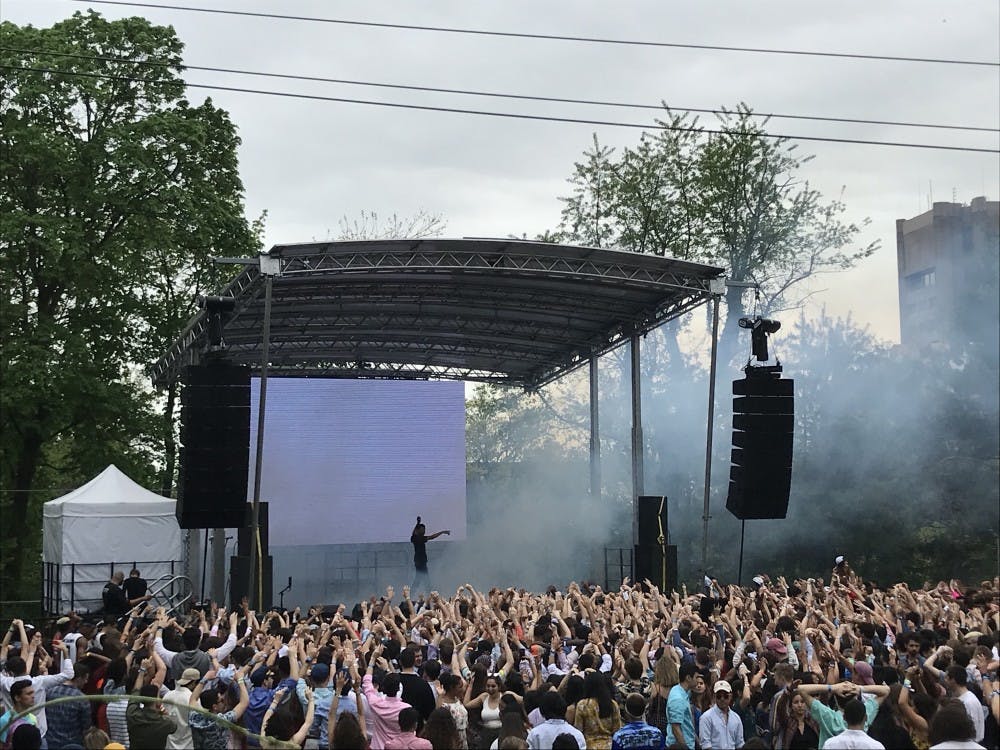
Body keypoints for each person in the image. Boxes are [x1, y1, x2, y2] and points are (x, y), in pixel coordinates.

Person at [188, 667, 251, 750]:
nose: (224, 702)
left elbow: (192, 699)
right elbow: (244, 702)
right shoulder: (221, 720)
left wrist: (204, 680)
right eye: (221, 700)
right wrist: (240, 680)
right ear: (214, 707)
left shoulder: (194, 717)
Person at [43, 661, 92, 750]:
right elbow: (86, 726)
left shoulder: (50, 691)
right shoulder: (81, 699)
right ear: (79, 678)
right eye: (85, 679)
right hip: (72, 744)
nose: (86, 682)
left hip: (50, 742)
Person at [573, 670, 621, 749]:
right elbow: (617, 729)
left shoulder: (582, 705)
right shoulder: (612, 704)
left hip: (589, 746)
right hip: (609, 746)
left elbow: (578, 729)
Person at [126, 684, 177, 750]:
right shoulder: (165, 723)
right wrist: (164, 715)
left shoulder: (132, 714)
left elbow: (134, 696)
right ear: (155, 699)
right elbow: (174, 727)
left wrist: (141, 674)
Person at [945, 665, 985, 745]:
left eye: (946, 678)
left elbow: (974, 730)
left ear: (953, 680)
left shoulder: (969, 702)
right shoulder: (959, 698)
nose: (944, 680)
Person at [698, 679, 744, 749]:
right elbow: (705, 745)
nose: (722, 699)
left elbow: (739, 744)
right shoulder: (706, 717)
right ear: (714, 697)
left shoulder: (736, 718)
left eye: (726, 696)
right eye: (719, 696)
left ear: (730, 696)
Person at [161, 667, 199, 750]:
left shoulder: (168, 695)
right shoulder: (193, 700)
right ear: (194, 683)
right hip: (188, 745)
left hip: (169, 745)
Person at [410, 517, 450, 591]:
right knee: (423, 579)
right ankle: (426, 593)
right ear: (418, 530)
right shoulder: (419, 538)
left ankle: (413, 594)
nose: (424, 531)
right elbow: (432, 537)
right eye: (422, 529)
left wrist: (418, 523)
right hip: (420, 561)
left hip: (420, 561)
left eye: (424, 529)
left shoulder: (414, 538)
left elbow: (413, 533)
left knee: (420, 579)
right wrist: (442, 532)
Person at [666, 663, 698, 749]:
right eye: (696, 677)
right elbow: (676, 728)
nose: (697, 680)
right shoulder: (678, 699)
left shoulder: (681, 690)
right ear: (688, 678)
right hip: (679, 746)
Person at [0, 681, 38, 746]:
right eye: (29, 694)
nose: (33, 696)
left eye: (33, 693)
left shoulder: (33, 718)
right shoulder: (5, 720)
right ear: (17, 698)